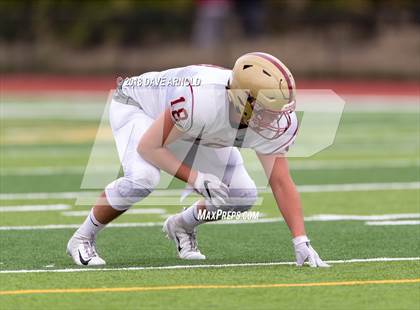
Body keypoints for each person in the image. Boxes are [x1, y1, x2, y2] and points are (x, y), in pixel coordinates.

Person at [67, 52, 329, 267]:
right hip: (140, 107)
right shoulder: (202, 100)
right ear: (244, 102)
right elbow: (150, 146)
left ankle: (182, 226)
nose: (276, 119)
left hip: (191, 126)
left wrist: (300, 240)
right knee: (144, 178)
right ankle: (82, 238)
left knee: (243, 195)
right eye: (268, 110)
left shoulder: (262, 117)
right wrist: (195, 178)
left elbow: (281, 182)